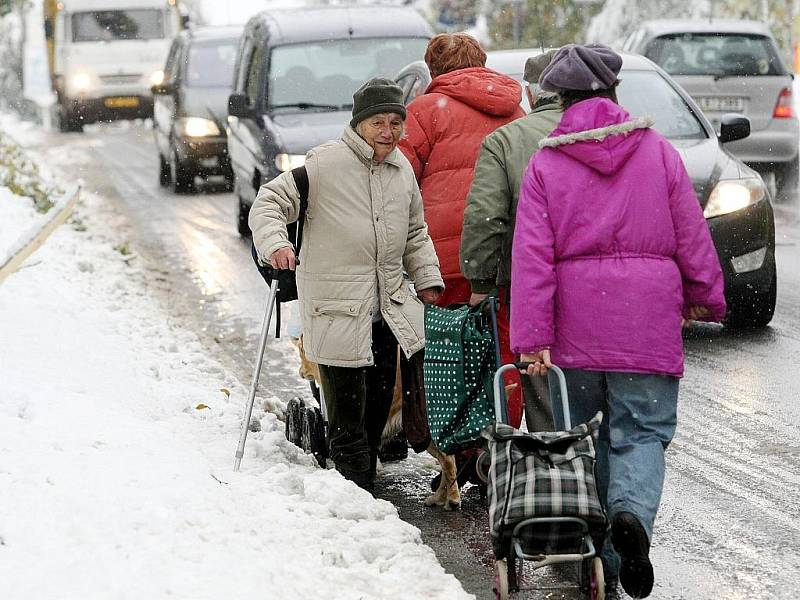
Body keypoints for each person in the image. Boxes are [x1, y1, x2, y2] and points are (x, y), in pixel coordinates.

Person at [510, 44, 726, 599]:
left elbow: (531, 258)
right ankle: (632, 514)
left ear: (563, 101)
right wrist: (706, 296)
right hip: (645, 326)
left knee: (580, 439)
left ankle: (602, 552)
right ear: (613, 93)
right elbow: (690, 235)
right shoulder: (657, 153)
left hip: (573, 333)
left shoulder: (545, 164)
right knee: (642, 433)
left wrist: (532, 339)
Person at [249, 78, 444, 491]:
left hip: (385, 313)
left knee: (374, 419)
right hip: (337, 312)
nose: (389, 132)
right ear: (358, 124)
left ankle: (361, 491)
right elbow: (267, 204)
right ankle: (355, 495)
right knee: (347, 424)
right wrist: (277, 245)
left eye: (396, 122)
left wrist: (428, 279)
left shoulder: (401, 170)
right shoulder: (324, 164)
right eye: (378, 123)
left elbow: (415, 232)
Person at [399, 32, 526, 427]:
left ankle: (463, 441)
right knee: (503, 348)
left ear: (434, 68)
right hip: (508, 255)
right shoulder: (516, 111)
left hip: (445, 259)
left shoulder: (424, 110)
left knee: (451, 352)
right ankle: (502, 434)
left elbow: (397, 180)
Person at [460, 49, 562, 433]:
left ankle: (554, 468)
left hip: (528, 282)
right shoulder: (611, 133)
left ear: (531, 95)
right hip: (604, 286)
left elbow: (486, 216)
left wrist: (480, 280)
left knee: (540, 382)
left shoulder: (505, 141)